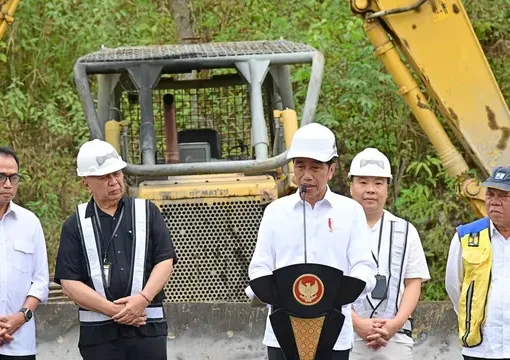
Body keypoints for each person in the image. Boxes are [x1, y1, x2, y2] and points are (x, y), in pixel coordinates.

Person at [247, 123, 376, 360]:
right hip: (282, 332)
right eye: (300, 166)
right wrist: (267, 291)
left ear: (331, 170)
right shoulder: (276, 211)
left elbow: (364, 265)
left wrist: (347, 291)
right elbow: (259, 266)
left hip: (334, 331)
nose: (307, 175)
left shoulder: (350, 212)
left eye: (316, 167)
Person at [54, 139, 177, 360]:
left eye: (117, 174)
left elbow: (165, 260)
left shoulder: (147, 212)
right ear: (86, 183)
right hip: (100, 336)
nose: (114, 182)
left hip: (147, 329)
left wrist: (142, 299)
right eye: (104, 177)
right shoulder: (75, 224)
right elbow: (69, 282)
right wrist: (116, 312)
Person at [348, 148, 430, 360]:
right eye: (363, 182)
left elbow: (413, 282)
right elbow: (329, 282)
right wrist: (356, 322)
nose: (371, 190)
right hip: (347, 335)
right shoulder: (336, 227)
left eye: (378, 182)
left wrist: (395, 324)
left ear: (387, 187)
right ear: (351, 185)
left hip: (395, 337)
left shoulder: (405, 230)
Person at [445, 166, 510, 360]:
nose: (494, 202)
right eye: (490, 194)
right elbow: (454, 286)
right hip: (481, 347)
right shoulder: (467, 236)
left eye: (504, 196)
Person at [0, 147, 49, 360]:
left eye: (13, 177)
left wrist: (21, 317)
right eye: (1, 176)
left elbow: (40, 281)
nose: (8, 184)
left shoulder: (30, 223)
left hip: (19, 342)